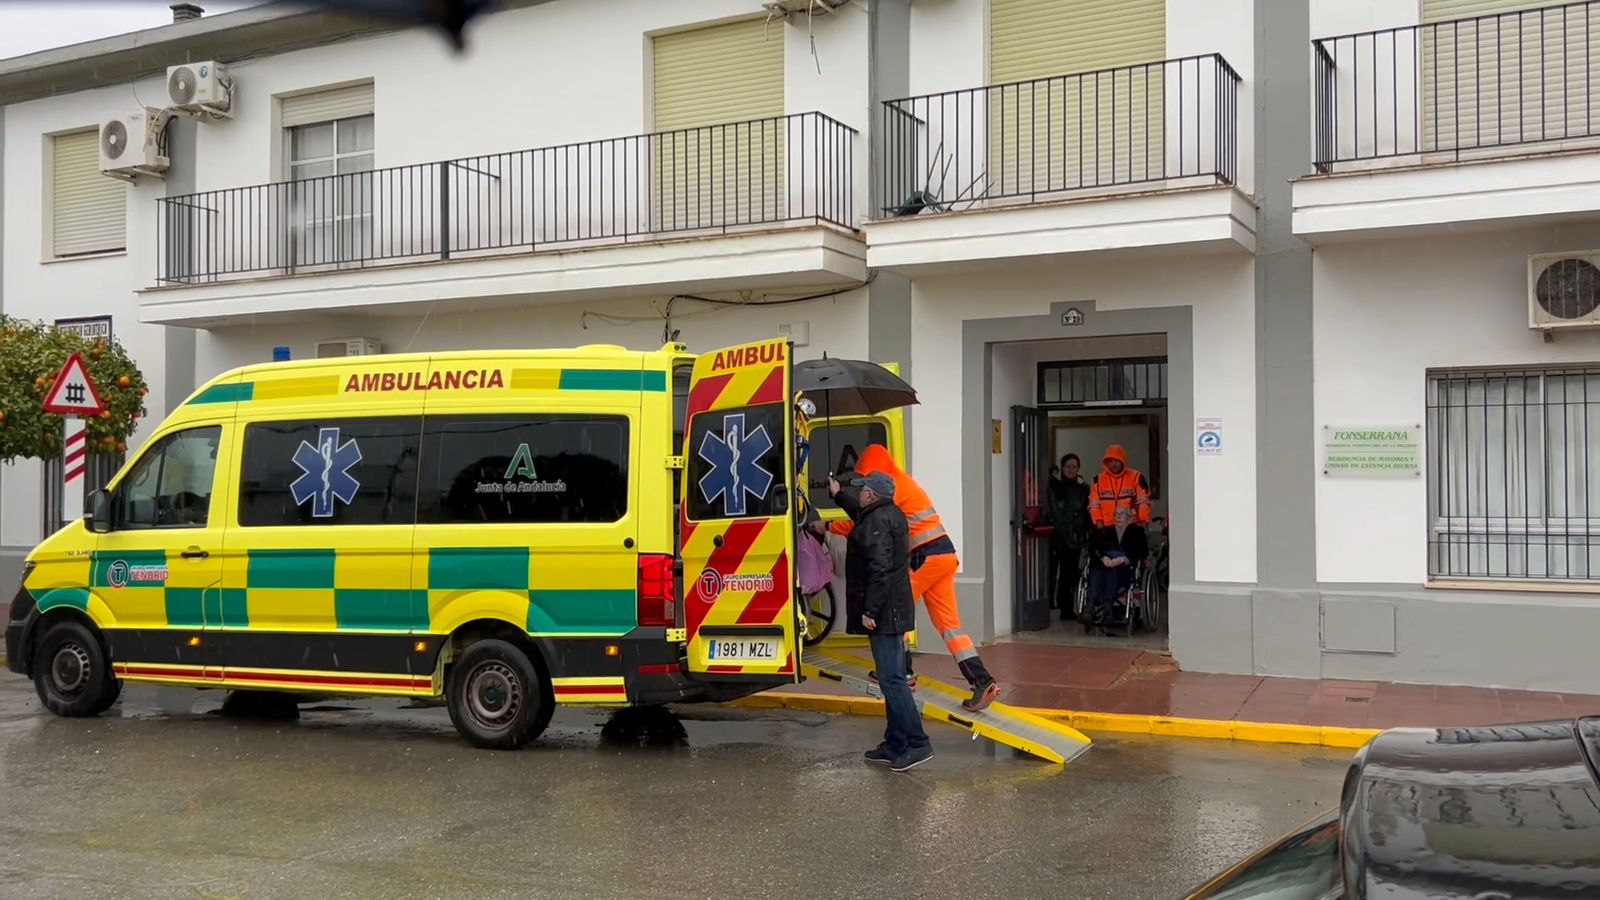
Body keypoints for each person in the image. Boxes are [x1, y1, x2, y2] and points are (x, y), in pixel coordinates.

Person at [822, 444, 1002, 713]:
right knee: (950, 627)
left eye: (865, 480)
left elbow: (864, 520)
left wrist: (827, 524)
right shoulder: (904, 483)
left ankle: (903, 674)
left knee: (896, 612)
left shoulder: (891, 489)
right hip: (944, 554)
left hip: (924, 556)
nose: (863, 488)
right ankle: (982, 680)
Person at [834, 470, 932, 772]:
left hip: (885, 613)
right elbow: (860, 516)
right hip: (892, 610)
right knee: (891, 681)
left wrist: (870, 611)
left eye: (862, 489)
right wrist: (838, 494)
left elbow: (880, 569)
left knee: (892, 681)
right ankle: (895, 743)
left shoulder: (877, 521)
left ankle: (917, 743)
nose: (860, 493)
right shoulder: (882, 514)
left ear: (870, 495)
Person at [1082, 504, 1149, 628]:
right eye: (1116, 514)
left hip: (1125, 567)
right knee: (1096, 572)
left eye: (1121, 514)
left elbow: (1142, 550)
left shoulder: (1137, 531)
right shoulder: (1108, 531)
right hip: (1106, 564)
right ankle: (1090, 608)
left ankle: (1108, 608)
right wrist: (1103, 557)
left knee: (1113, 573)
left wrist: (1123, 559)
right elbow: (1096, 548)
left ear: (1130, 518)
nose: (1118, 517)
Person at [1045, 453, 1092, 620]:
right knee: (1049, 573)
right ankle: (1048, 606)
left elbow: (1088, 515)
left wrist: (1086, 534)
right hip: (1055, 536)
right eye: (1068, 466)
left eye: (1074, 466)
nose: (1071, 469)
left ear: (1078, 468)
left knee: (1069, 576)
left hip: (1074, 537)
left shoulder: (1084, 489)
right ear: (1062, 468)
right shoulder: (1054, 486)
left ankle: (1066, 609)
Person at [1090, 444, 1152, 529]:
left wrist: (1144, 522)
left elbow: (1144, 502)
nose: (1114, 464)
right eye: (1110, 461)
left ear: (1123, 460)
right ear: (1106, 462)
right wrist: (1098, 521)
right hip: (1106, 528)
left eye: (1117, 460)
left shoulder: (1136, 477)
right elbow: (1094, 505)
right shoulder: (1098, 480)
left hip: (1131, 527)